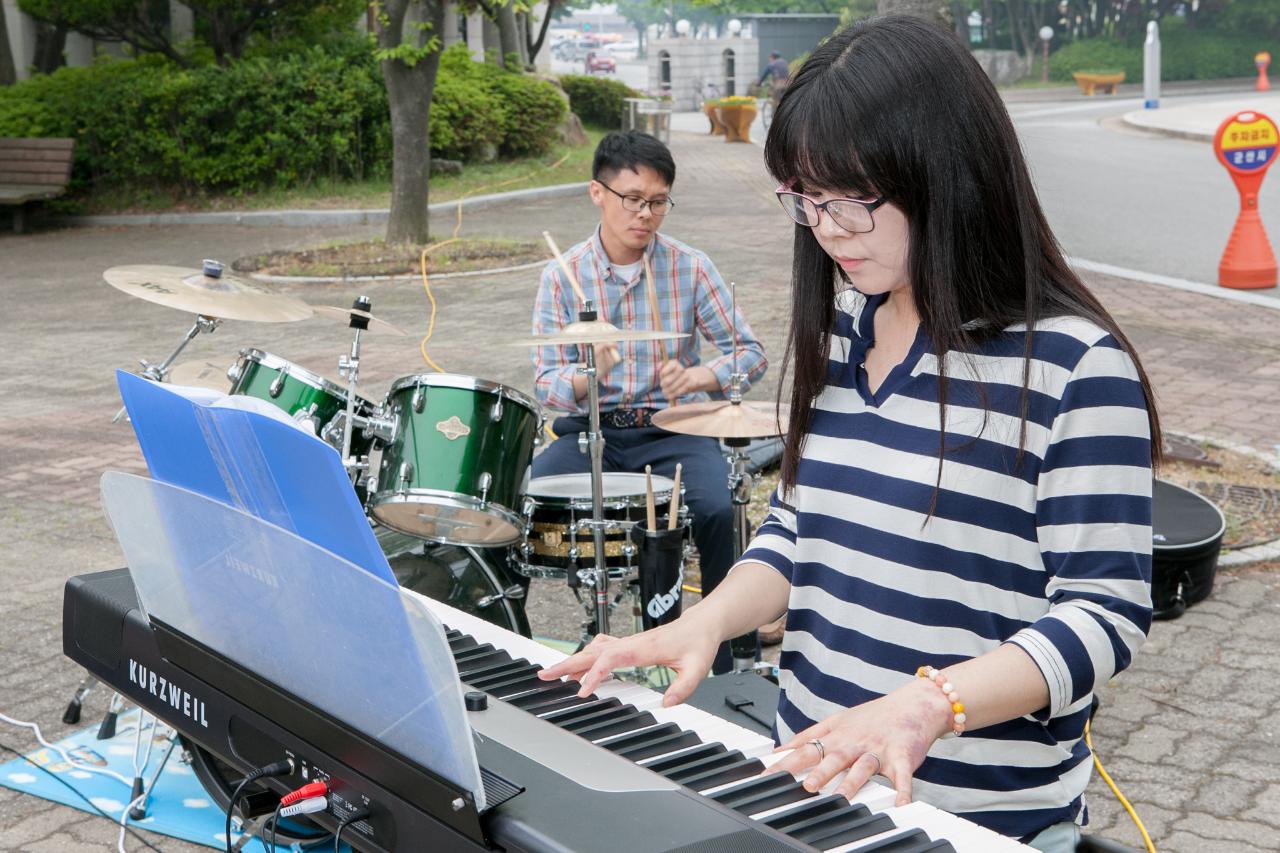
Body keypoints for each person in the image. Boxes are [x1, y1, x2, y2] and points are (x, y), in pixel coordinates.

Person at [539, 17, 1159, 853]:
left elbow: (1104, 612)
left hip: (973, 821)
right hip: (815, 787)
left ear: (945, 172)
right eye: (804, 200)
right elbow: (799, 530)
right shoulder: (843, 335)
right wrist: (707, 621)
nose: (825, 230)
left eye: (848, 201)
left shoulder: (1074, 367)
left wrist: (932, 702)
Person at [530, 130, 768, 673]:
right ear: (598, 193)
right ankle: (516, 647)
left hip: (674, 429)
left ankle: (727, 661)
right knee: (525, 502)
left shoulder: (690, 266)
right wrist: (592, 373)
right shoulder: (561, 277)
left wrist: (703, 374)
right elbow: (547, 382)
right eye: (633, 199)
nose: (646, 214)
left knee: (712, 507)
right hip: (594, 433)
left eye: (658, 202)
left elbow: (750, 353)